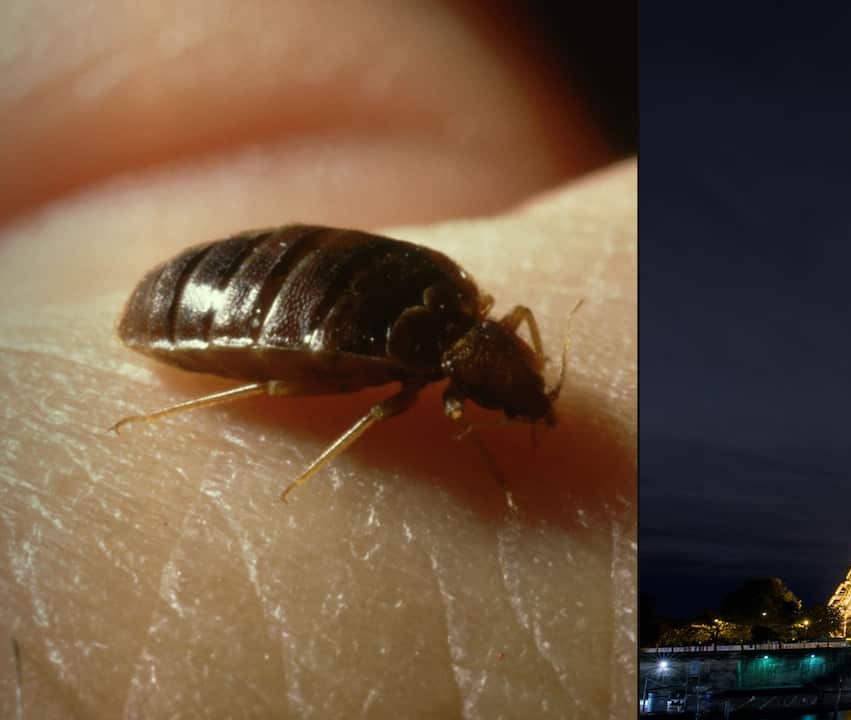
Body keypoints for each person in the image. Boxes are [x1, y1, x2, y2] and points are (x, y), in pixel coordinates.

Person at [0, 2, 635, 716]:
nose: (523, 388)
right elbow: (398, 409)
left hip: (268, 272)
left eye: (518, 385)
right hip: (214, 307)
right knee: (274, 384)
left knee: (282, 381)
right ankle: (168, 412)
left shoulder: (453, 286)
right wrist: (485, 477)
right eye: (518, 388)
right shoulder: (434, 342)